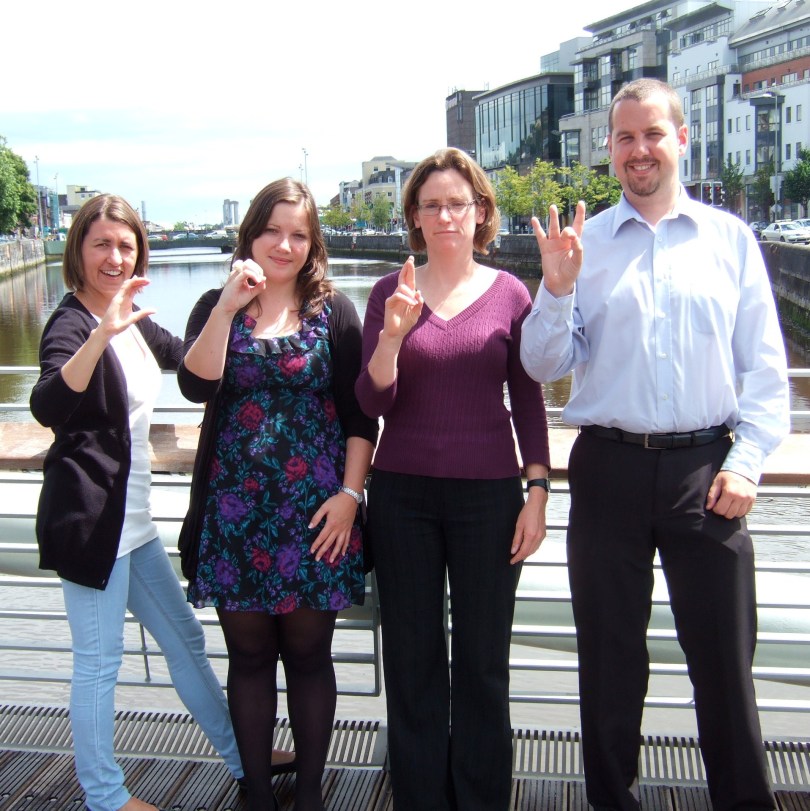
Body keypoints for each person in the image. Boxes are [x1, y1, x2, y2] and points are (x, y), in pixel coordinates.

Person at [520, 78, 790, 811]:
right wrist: (555, 289)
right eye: (625, 138)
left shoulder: (730, 241)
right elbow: (542, 365)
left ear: (682, 139)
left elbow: (766, 374)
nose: (639, 150)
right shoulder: (584, 247)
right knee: (609, 662)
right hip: (607, 466)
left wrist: (746, 462)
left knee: (724, 662)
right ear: (610, 150)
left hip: (708, 470)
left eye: (653, 134)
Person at [30, 194, 245, 811]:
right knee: (99, 664)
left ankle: (243, 757)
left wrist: (231, 305)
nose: (115, 257)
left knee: (185, 639)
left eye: (126, 245)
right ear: (78, 250)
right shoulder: (73, 323)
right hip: (91, 525)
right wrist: (101, 334)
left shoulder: (133, 317)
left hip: (136, 525)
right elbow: (47, 405)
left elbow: (191, 364)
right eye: (101, 243)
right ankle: (105, 797)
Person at [355, 147, 551, 810]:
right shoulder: (389, 292)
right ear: (414, 215)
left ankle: (481, 797)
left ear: (480, 212)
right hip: (402, 496)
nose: (445, 215)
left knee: (483, 662)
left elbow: (529, 399)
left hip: (489, 498)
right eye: (432, 204)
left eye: (457, 204)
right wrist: (392, 336)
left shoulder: (511, 294)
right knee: (412, 662)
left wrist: (537, 492)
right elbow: (372, 402)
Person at [177, 178, 377, 811]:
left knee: (310, 655)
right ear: (251, 234)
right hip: (235, 514)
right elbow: (195, 385)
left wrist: (350, 496)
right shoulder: (216, 304)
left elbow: (360, 416)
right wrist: (227, 308)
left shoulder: (333, 311)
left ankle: (312, 791)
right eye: (272, 231)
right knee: (249, 657)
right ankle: (258, 794)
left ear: (313, 243)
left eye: (298, 234)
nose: (284, 245)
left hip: (317, 517)